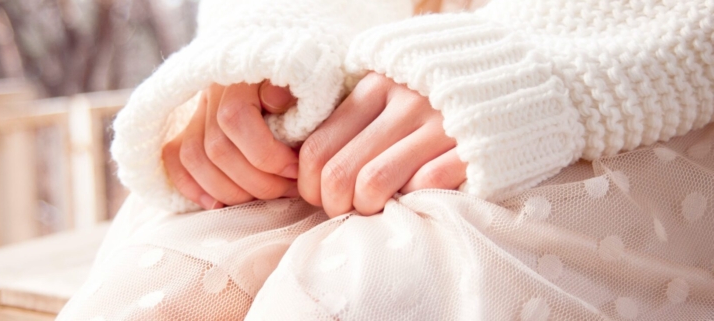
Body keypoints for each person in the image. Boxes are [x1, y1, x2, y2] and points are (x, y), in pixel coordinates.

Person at [58, 0, 714, 320]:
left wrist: (555, 61)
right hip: (354, 94)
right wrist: (245, 59)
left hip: (647, 76)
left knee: (372, 286)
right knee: (162, 287)